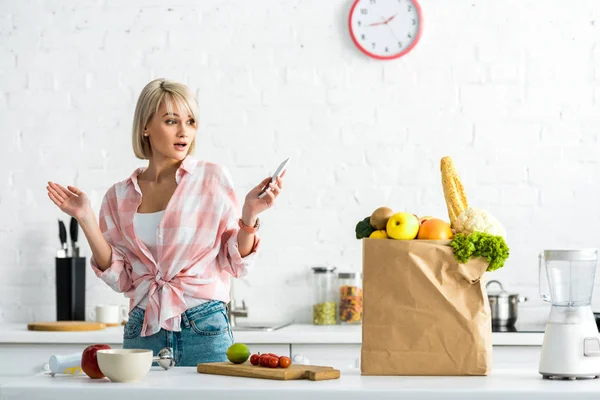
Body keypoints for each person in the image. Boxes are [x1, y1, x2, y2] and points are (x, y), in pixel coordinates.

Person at [46, 78, 284, 366]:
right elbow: (121, 278)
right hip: (142, 329)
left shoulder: (212, 178)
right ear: (146, 126)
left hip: (204, 327)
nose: (184, 131)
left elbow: (237, 263)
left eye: (191, 121)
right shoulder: (117, 196)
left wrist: (250, 213)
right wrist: (85, 217)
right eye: (172, 121)